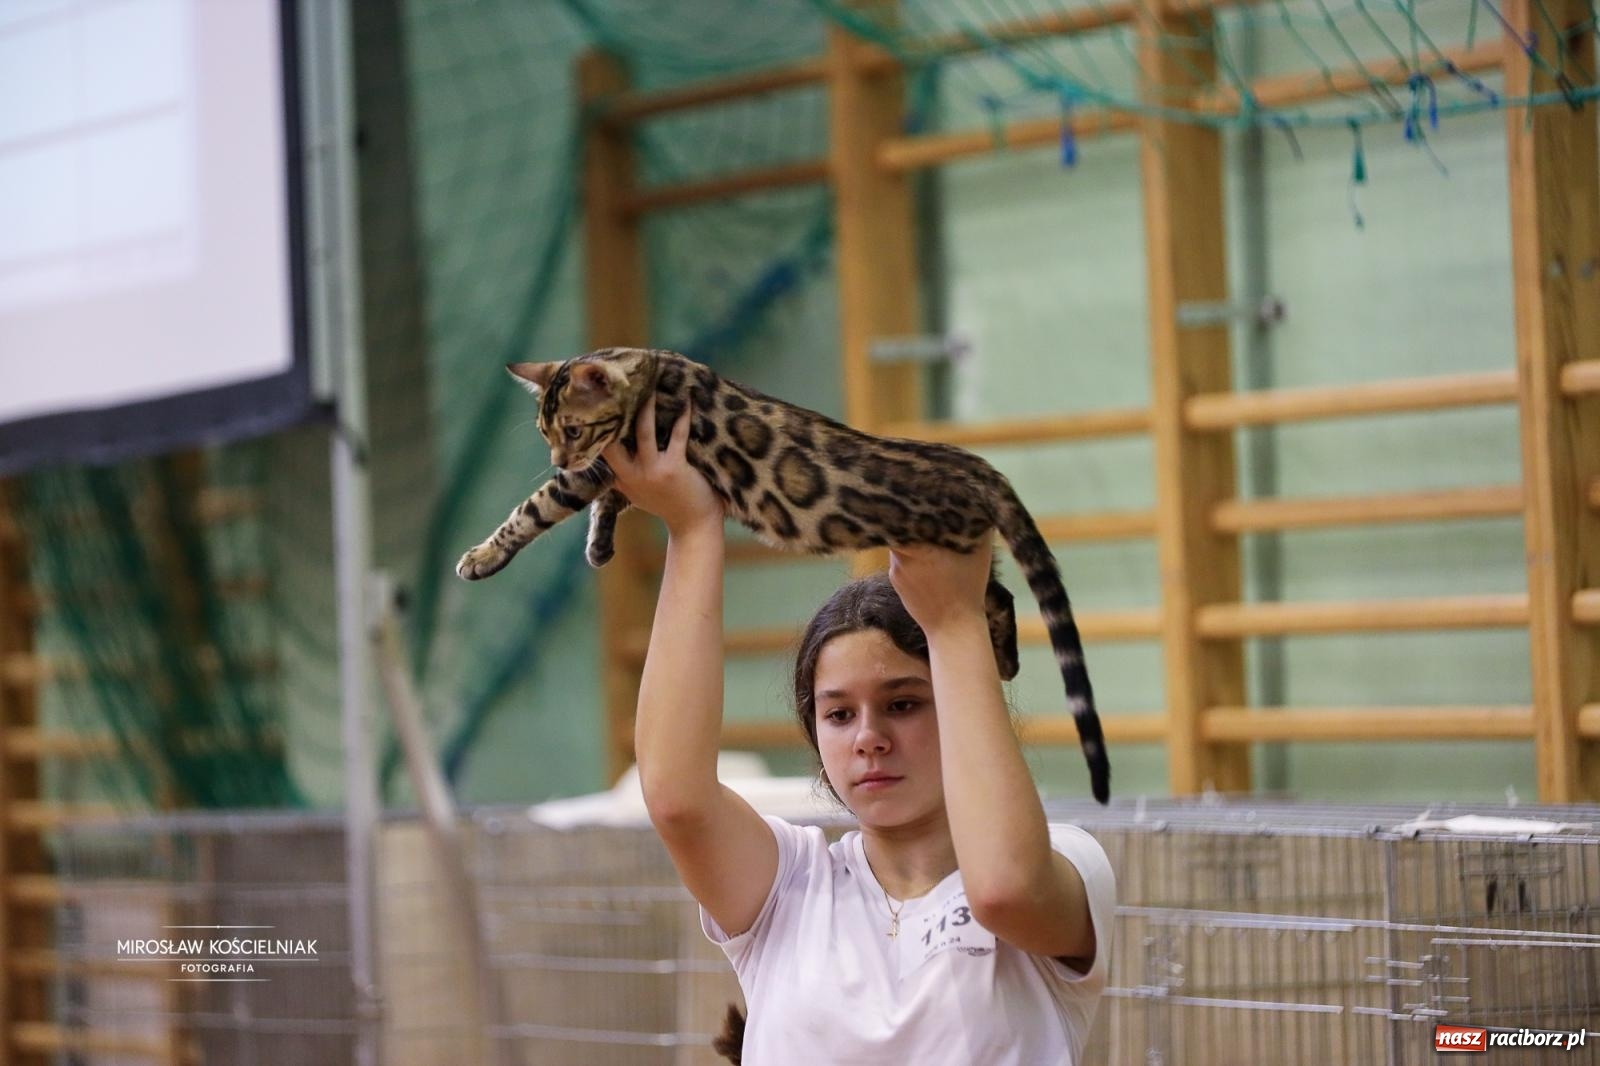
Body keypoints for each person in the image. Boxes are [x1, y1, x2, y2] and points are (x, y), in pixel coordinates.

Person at [604, 399, 1116, 1064]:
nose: (868, 737)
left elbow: (1004, 890)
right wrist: (694, 527)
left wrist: (956, 622)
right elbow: (674, 794)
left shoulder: (1070, 863)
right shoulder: (791, 882)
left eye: (903, 703)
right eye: (839, 714)